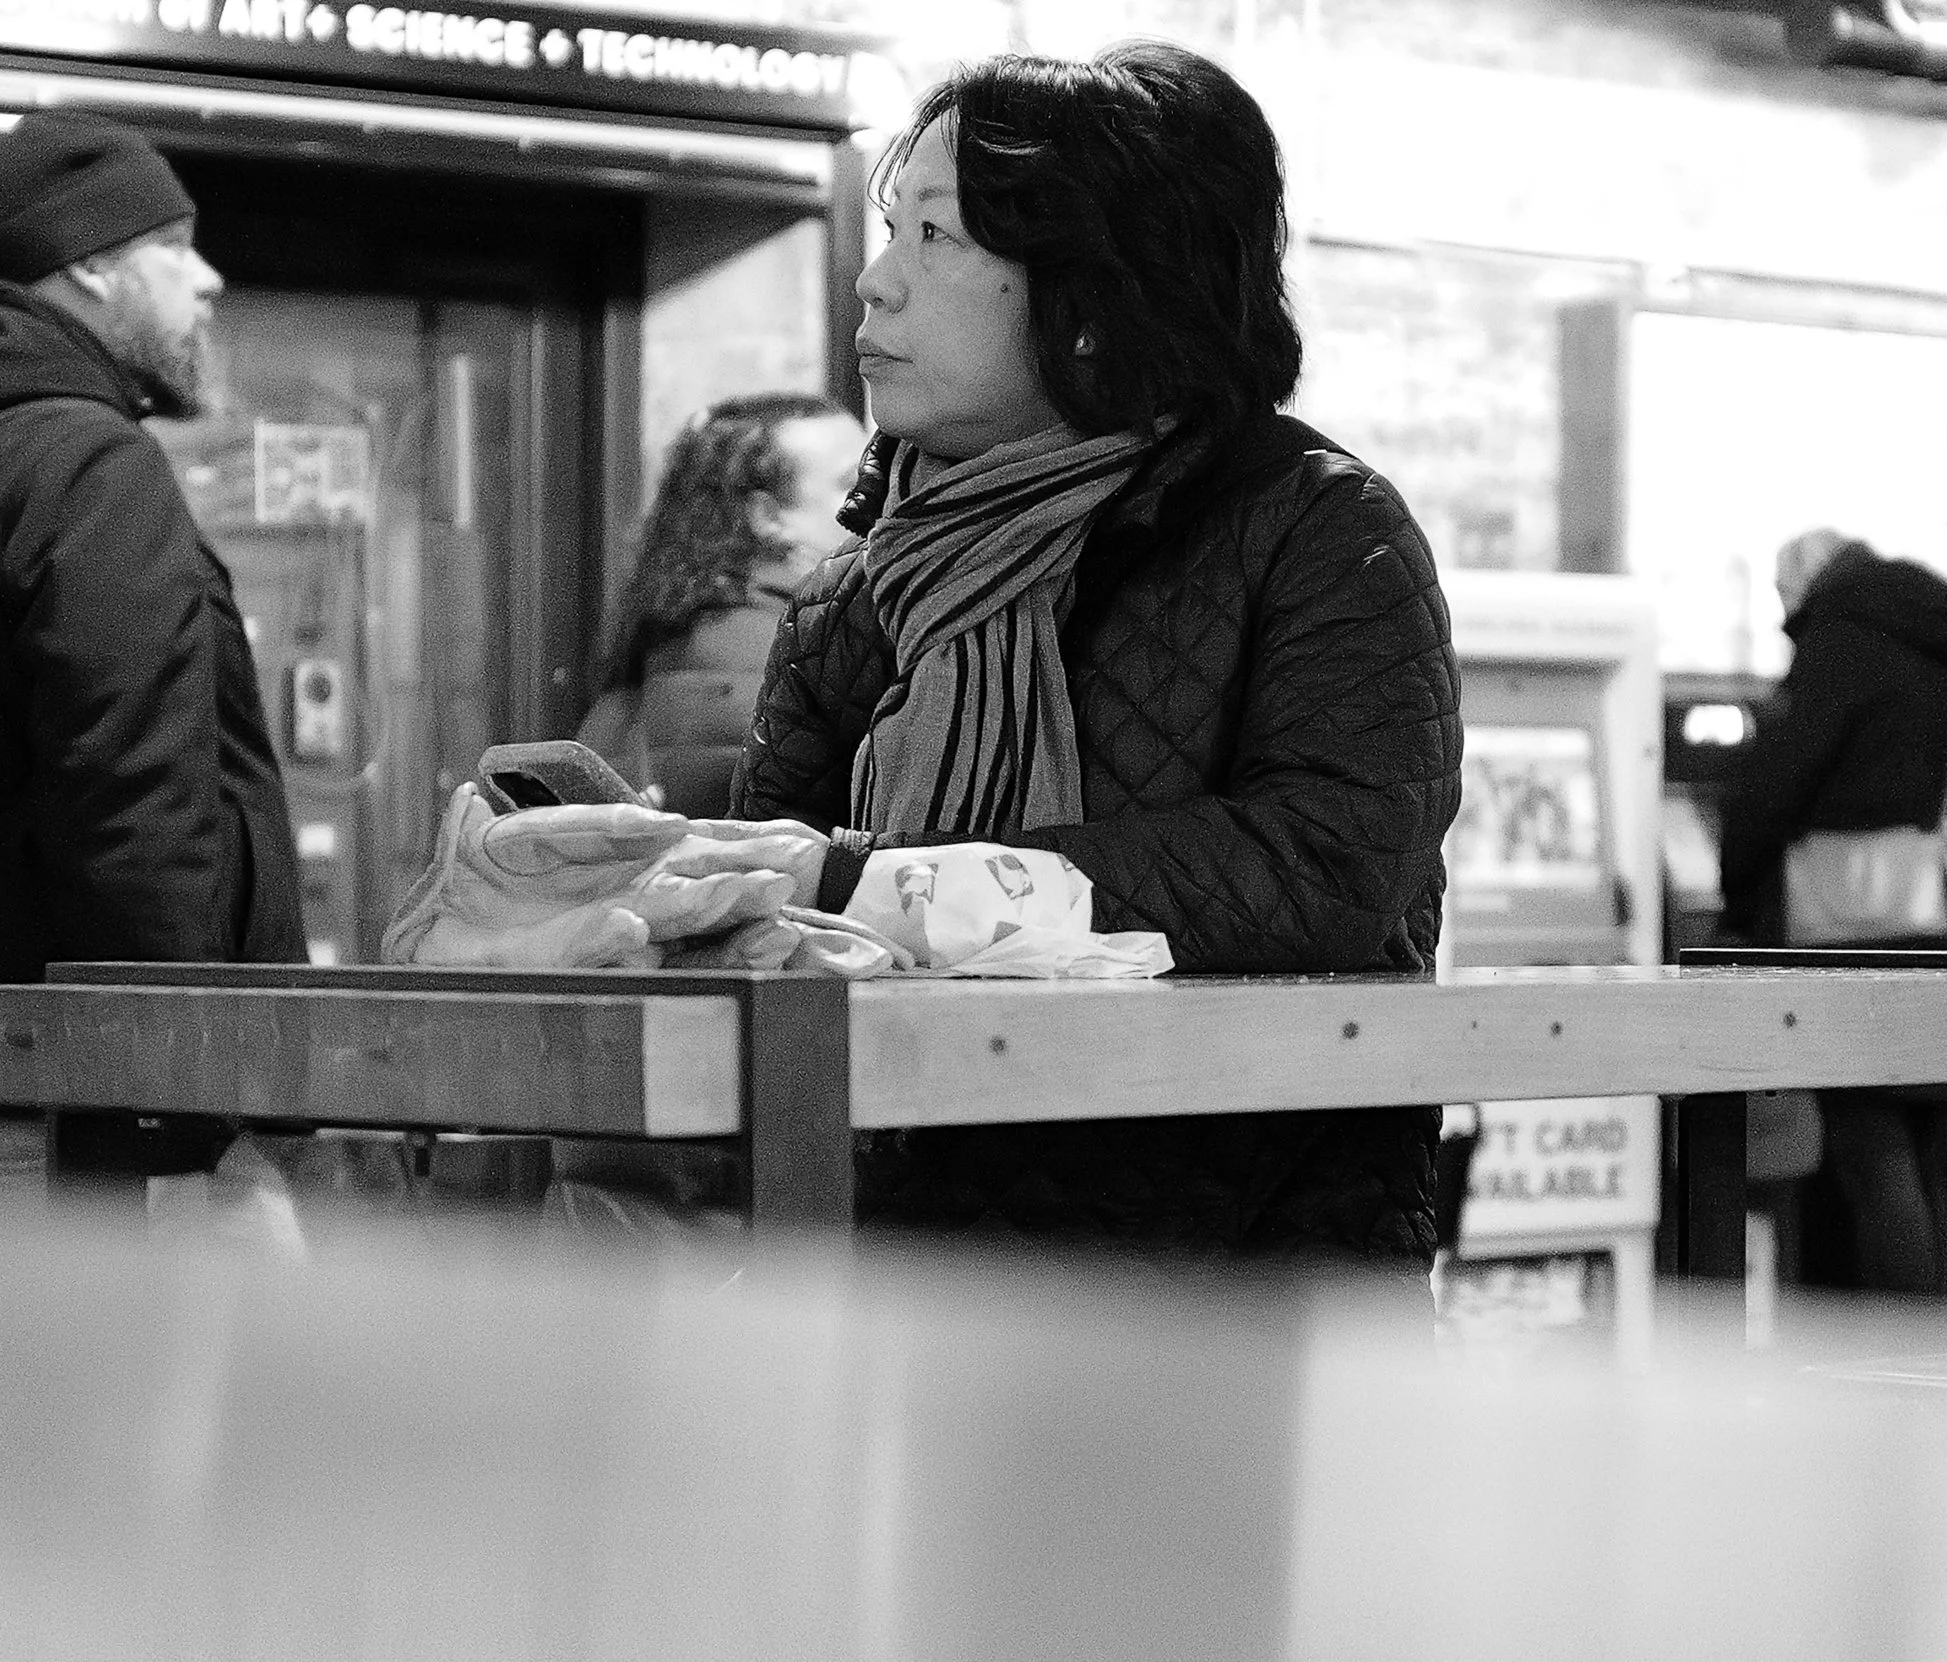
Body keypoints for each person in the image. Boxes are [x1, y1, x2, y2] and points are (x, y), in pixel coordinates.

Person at [731, 43, 1463, 1265]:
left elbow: (1323, 871)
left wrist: (882, 885)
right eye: (890, 234)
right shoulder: (856, 599)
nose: (874, 286)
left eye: (936, 240)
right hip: (912, 1281)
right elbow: (780, 936)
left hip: (1242, 1294)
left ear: (1096, 288)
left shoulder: (1316, 531)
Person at [0, 112, 305, 1191]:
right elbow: (133, 805)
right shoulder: (88, 469)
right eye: (174, 248)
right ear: (89, 263)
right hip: (80, 1131)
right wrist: (178, 1115)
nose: (210, 279)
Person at [1717, 529, 1947, 1295]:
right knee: (1925, 1142)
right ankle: (1933, 1341)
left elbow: (1775, 785)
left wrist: (1739, 897)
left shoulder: (1838, 646)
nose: (1781, 619)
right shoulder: (1944, 650)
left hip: (1850, 931)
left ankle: (1906, 1358)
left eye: (1782, 598)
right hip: (1940, 918)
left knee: (1868, 1143)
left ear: (1810, 584)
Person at [576, 393, 868, 818]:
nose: (885, 496)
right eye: (852, 482)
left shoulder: (665, 628)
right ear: (768, 517)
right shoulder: (804, 646)